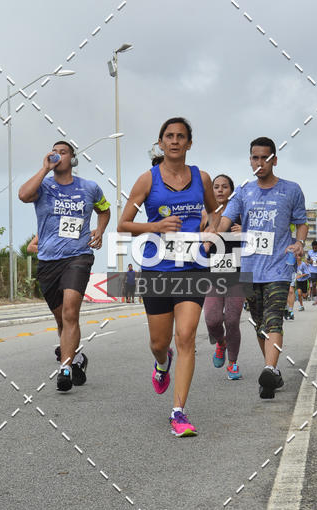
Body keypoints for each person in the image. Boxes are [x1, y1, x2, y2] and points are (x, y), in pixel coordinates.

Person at [118, 116, 219, 436]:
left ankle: (179, 412)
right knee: (159, 342)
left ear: (189, 143)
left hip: (193, 267)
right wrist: (155, 227)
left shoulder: (202, 178)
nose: (174, 141)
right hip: (157, 268)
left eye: (181, 136)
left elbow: (215, 211)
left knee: (187, 336)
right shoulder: (147, 181)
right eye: (169, 136)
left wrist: (209, 232)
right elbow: (124, 223)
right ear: (160, 143)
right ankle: (162, 363)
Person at [217, 137, 308, 399]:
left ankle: (269, 367)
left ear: (274, 160)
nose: (259, 163)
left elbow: (301, 223)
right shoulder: (243, 192)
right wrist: (210, 236)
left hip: (279, 268)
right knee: (259, 324)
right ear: (250, 160)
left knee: (273, 318)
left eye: (264, 158)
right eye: (255, 158)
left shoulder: (291, 190)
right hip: (249, 269)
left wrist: (299, 242)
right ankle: (271, 373)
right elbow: (225, 222)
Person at [18, 140, 111, 392]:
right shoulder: (43, 186)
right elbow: (23, 195)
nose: (58, 155)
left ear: (73, 158)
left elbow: (104, 210)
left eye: (63, 152)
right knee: (62, 320)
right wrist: (44, 169)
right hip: (48, 261)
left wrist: (100, 231)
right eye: (54, 152)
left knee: (71, 312)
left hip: (78, 256)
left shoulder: (90, 188)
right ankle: (77, 357)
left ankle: (66, 368)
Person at [202, 174, 244, 380]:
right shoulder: (205, 214)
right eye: (216, 187)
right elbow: (193, 239)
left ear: (231, 190)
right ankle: (221, 342)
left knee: (233, 320)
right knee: (212, 319)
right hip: (213, 274)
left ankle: (233, 363)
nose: (219, 190)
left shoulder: (240, 213)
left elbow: (257, 236)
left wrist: (244, 233)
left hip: (237, 273)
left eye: (224, 187)